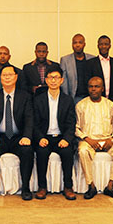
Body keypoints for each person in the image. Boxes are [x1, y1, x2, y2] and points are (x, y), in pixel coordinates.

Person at [0, 65, 34, 201]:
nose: (7, 77)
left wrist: (27, 136)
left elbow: (29, 119)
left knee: (27, 150)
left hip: (18, 137)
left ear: (16, 77)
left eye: (10, 75)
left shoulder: (25, 97)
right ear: (0, 78)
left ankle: (26, 188)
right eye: (4, 75)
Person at [75, 77, 113, 200]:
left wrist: (112, 139)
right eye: (91, 86)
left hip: (108, 140)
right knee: (82, 151)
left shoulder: (110, 105)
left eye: (97, 86)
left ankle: (110, 186)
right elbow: (76, 128)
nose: (93, 89)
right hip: (88, 140)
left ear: (102, 89)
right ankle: (91, 186)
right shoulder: (81, 105)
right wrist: (87, 139)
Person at [33, 66, 77, 200]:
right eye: (50, 78)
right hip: (45, 137)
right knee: (41, 153)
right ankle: (42, 187)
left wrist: (67, 139)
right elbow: (34, 123)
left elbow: (71, 124)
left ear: (61, 80)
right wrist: (40, 138)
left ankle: (68, 187)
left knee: (67, 152)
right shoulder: (38, 100)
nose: (53, 81)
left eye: (56, 78)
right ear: (46, 80)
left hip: (61, 137)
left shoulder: (68, 100)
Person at [85, 35, 113, 104]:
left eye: (106, 44)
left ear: (110, 46)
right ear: (98, 46)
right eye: (101, 44)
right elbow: (87, 83)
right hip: (95, 102)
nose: (104, 46)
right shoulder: (90, 64)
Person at [60, 33, 95, 102]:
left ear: (84, 44)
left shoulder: (92, 58)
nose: (77, 45)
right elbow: (64, 83)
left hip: (90, 97)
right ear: (72, 45)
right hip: (74, 97)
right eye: (75, 43)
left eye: (80, 42)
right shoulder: (65, 60)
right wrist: (67, 99)